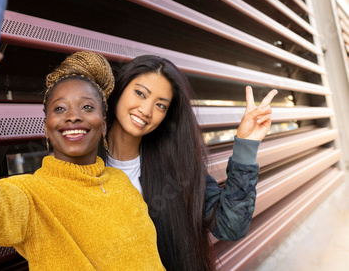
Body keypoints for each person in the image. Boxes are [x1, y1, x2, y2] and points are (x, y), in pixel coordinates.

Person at [0, 17, 165, 270]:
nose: (73, 116)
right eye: (60, 108)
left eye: (87, 107)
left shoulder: (121, 184)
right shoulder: (31, 195)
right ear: (47, 129)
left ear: (104, 124)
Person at [104, 55, 278, 271]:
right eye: (140, 93)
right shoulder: (80, 162)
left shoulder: (177, 168)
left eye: (160, 105)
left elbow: (231, 226)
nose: (146, 111)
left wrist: (246, 146)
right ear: (120, 89)